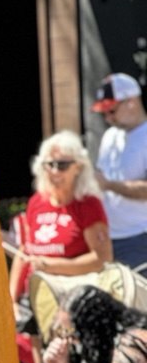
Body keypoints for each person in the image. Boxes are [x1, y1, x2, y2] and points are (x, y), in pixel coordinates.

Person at [8, 131, 112, 311]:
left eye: (63, 165)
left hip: (74, 301)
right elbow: (24, 252)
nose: (55, 171)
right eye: (50, 164)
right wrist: (11, 299)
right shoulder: (37, 201)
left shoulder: (88, 204)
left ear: (78, 167)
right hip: (35, 297)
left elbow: (102, 259)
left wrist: (53, 265)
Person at [90, 73, 147, 269]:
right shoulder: (109, 136)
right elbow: (100, 177)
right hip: (109, 237)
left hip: (139, 237)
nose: (107, 118)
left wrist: (109, 185)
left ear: (131, 102)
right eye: (103, 113)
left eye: (111, 111)